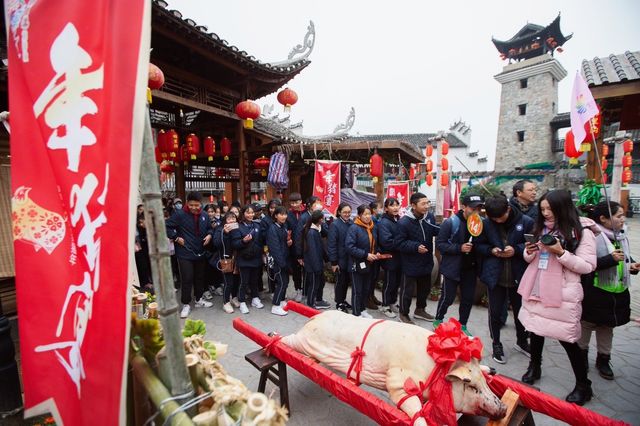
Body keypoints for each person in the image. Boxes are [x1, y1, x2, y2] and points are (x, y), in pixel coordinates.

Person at [518, 190, 596, 405]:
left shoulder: (581, 231)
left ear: (563, 208)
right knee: (534, 329)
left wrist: (561, 253)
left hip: (562, 292)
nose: (546, 214)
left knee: (567, 339)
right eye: (542, 210)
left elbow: (587, 266)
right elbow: (529, 259)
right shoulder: (540, 228)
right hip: (536, 286)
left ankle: (583, 384)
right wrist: (530, 250)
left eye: (549, 210)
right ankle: (535, 366)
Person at [580, 201, 639, 380]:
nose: (623, 219)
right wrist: (609, 260)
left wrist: (632, 265)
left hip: (616, 293)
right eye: (619, 216)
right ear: (603, 218)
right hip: (593, 293)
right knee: (585, 327)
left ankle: (603, 359)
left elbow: (624, 258)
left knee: (607, 327)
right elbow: (584, 265)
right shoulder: (590, 237)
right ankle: (580, 359)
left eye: (623, 215)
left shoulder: (620, 236)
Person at [478, 195, 533, 364]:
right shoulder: (486, 224)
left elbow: (534, 244)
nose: (497, 221)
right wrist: (491, 250)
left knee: (520, 313)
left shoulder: (526, 221)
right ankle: (496, 344)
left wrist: (516, 249)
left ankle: (522, 341)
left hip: (519, 275)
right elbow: (479, 245)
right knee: (494, 313)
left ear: (508, 209)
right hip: (496, 275)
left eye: (499, 217)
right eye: (493, 218)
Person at [434, 194, 484, 335]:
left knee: (467, 299)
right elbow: (440, 244)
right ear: (463, 207)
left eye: (479, 208)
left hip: (471, 268)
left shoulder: (481, 223)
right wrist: (459, 248)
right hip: (452, 268)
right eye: (473, 208)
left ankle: (463, 325)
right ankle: (438, 319)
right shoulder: (451, 223)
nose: (476, 212)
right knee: (447, 298)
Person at [166, 191, 214, 318]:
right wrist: (176, 237)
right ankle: (186, 303)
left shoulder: (204, 214)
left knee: (199, 277)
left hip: (200, 252)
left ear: (201, 204)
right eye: (191, 205)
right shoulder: (179, 214)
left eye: (196, 205)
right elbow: (167, 226)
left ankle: (199, 299)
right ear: (187, 203)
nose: (194, 207)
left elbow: (210, 228)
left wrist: (210, 235)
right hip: (185, 252)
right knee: (187, 278)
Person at [395, 193, 437, 325]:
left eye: (427, 203)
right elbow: (399, 243)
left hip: (426, 260)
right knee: (407, 290)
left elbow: (435, 231)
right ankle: (403, 313)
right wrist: (415, 246)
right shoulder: (404, 222)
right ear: (413, 205)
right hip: (410, 262)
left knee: (424, 288)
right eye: (423, 204)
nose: (427, 206)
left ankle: (420, 310)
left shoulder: (429, 217)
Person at [346, 204, 379, 318]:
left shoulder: (372, 226)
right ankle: (356, 313)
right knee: (357, 290)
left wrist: (376, 252)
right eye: (365, 214)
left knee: (366, 288)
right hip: (357, 263)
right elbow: (350, 247)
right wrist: (365, 255)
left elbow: (374, 243)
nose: (367, 216)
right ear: (359, 215)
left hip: (369, 263)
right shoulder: (354, 228)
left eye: (369, 214)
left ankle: (363, 309)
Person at [231, 204, 264, 314]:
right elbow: (234, 244)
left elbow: (261, 240)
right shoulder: (237, 226)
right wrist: (243, 241)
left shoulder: (257, 225)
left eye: (252, 213)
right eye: (248, 212)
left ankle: (255, 298)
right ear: (243, 213)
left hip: (256, 257)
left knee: (255, 280)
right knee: (243, 281)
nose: (250, 215)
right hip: (244, 258)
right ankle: (242, 301)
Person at [377, 198, 402, 318]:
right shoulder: (384, 222)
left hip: (398, 257)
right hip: (389, 257)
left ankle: (392, 302)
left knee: (396, 282)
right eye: (392, 206)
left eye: (397, 205)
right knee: (389, 283)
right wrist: (402, 243)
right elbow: (386, 242)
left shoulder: (397, 220)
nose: (395, 208)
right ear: (386, 208)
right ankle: (385, 305)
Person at [266, 206, 293, 316]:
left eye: (285, 214)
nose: (284, 216)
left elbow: (283, 243)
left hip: (284, 259)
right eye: (281, 214)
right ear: (276, 216)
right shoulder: (272, 229)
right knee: (281, 283)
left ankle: (281, 301)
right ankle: (275, 305)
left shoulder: (284, 226)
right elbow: (275, 248)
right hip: (278, 261)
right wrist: (282, 263)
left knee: (285, 282)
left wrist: (288, 243)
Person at [328, 202, 353, 312]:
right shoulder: (335, 225)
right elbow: (332, 244)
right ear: (339, 212)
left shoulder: (352, 223)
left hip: (350, 259)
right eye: (344, 212)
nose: (347, 214)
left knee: (346, 281)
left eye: (349, 212)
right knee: (340, 282)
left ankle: (343, 300)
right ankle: (339, 303)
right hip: (340, 259)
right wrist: (334, 262)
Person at [302, 210, 330, 309]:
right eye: (322, 218)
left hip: (317, 264)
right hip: (313, 265)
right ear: (319, 219)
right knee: (314, 285)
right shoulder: (311, 233)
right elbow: (312, 252)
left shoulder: (316, 229)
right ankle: (310, 303)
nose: (324, 220)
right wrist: (317, 267)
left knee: (320, 282)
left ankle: (318, 300)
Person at [213, 212, 239, 314]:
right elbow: (216, 244)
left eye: (234, 218)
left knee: (236, 280)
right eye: (229, 219)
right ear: (225, 221)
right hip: (226, 259)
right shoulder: (220, 229)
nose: (232, 221)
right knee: (228, 282)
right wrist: (225, 233)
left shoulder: (238, 229)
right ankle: (226, 302)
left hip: (236, 258)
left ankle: (234, 297)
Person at [286, 192, 305, 302]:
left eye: (296, 202)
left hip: (306, 246)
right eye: (292, 202)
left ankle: (307, 291)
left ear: (301, 201)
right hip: (293, 247)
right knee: (296, 270)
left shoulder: (306, 213)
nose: (294, 204)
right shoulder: (288, 214)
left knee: (307, 270)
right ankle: (298, 290)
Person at [261, 199, 282, 294]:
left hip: (281, 248)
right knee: (271, 269)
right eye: (271, 208)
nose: (273, 210)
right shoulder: (265, 220)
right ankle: (272, 291)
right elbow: (263, 236)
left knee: (280, 270)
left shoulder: (281, 218)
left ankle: (280, 290)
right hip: (268, 248)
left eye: (275, 208)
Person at [367, 200, 384, 309]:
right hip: (372, 253)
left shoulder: (378, 220)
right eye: (379, 207)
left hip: (377, 252)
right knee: (370, 277)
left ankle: (372, 296)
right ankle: (367, 298)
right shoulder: (371, 221)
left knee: (374, 277)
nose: (381, 210)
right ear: (374, 210)